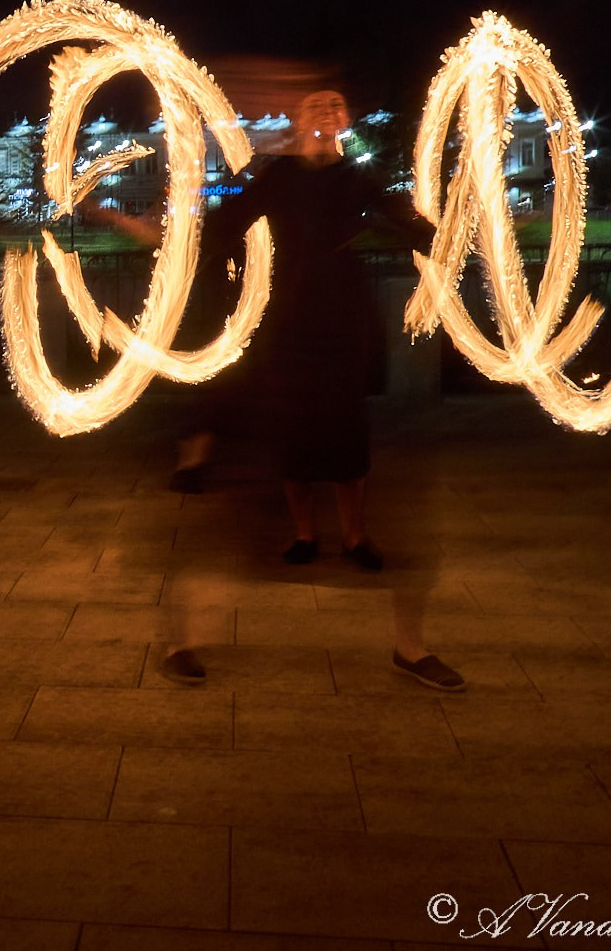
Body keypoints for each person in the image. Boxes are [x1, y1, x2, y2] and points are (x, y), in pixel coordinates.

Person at [119, 88, 463, 693]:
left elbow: (405, 221)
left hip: (344, 320)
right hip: (292, 317)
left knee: (347, 436)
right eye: (315, 106)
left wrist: (451, 228)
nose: (327, 111)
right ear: (298, 122)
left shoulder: (359, 178)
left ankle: (363, 555)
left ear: (346, 119)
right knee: (279, 441)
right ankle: (289, 537)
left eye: (336, 105)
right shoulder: (279, 176)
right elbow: (228, 223)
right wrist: (169, 237)